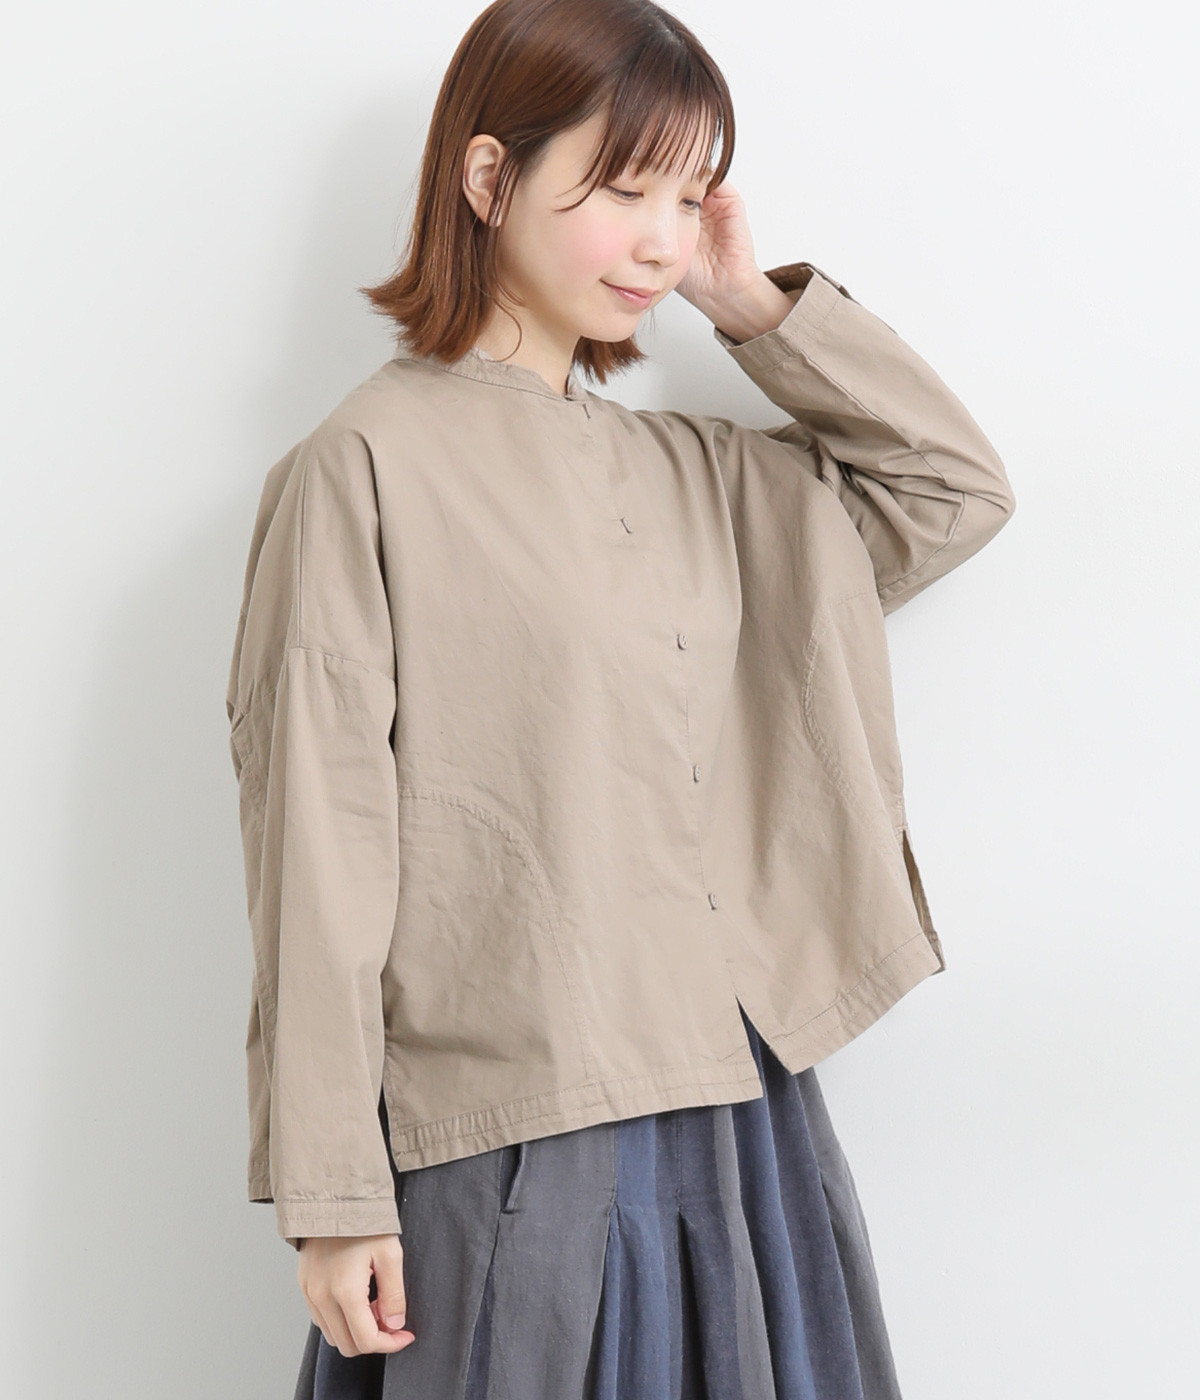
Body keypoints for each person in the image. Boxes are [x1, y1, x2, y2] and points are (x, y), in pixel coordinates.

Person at [224, 1, 1016, 1396]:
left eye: (690, 196)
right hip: (520, 1126)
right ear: (490, 178)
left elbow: (950, 490)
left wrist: (748, 303)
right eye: (625, 189)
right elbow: (320, 856)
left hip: (746, 1118)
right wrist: (335, 1193)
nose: (661, 241)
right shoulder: (362, 468)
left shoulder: (708, 479)